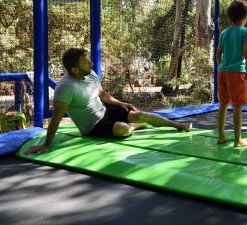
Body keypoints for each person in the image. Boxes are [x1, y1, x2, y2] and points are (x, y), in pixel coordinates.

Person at [24, 47, 192, 154]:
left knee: (141, 114)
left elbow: (103, 95)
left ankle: (178, 126)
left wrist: (120, 104)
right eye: (85, 61)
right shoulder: (66, 87)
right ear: (74, 69)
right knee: (123, 130)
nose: (90, 62)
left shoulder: (89, 74)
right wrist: (46, 144)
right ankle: (135, 126)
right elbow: (56, 118)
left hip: (105, 111)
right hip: (92, 126)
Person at [216, 0, 247, 147]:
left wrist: (222, 66)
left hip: (222, 72)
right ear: (245, 15)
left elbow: (218, 54)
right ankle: (237, 139)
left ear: (230, 17)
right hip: (236, 72)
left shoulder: (225, 32)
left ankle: (221, 136)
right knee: (238, 105)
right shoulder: (246, 32)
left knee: (222, 104)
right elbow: (246, 51)